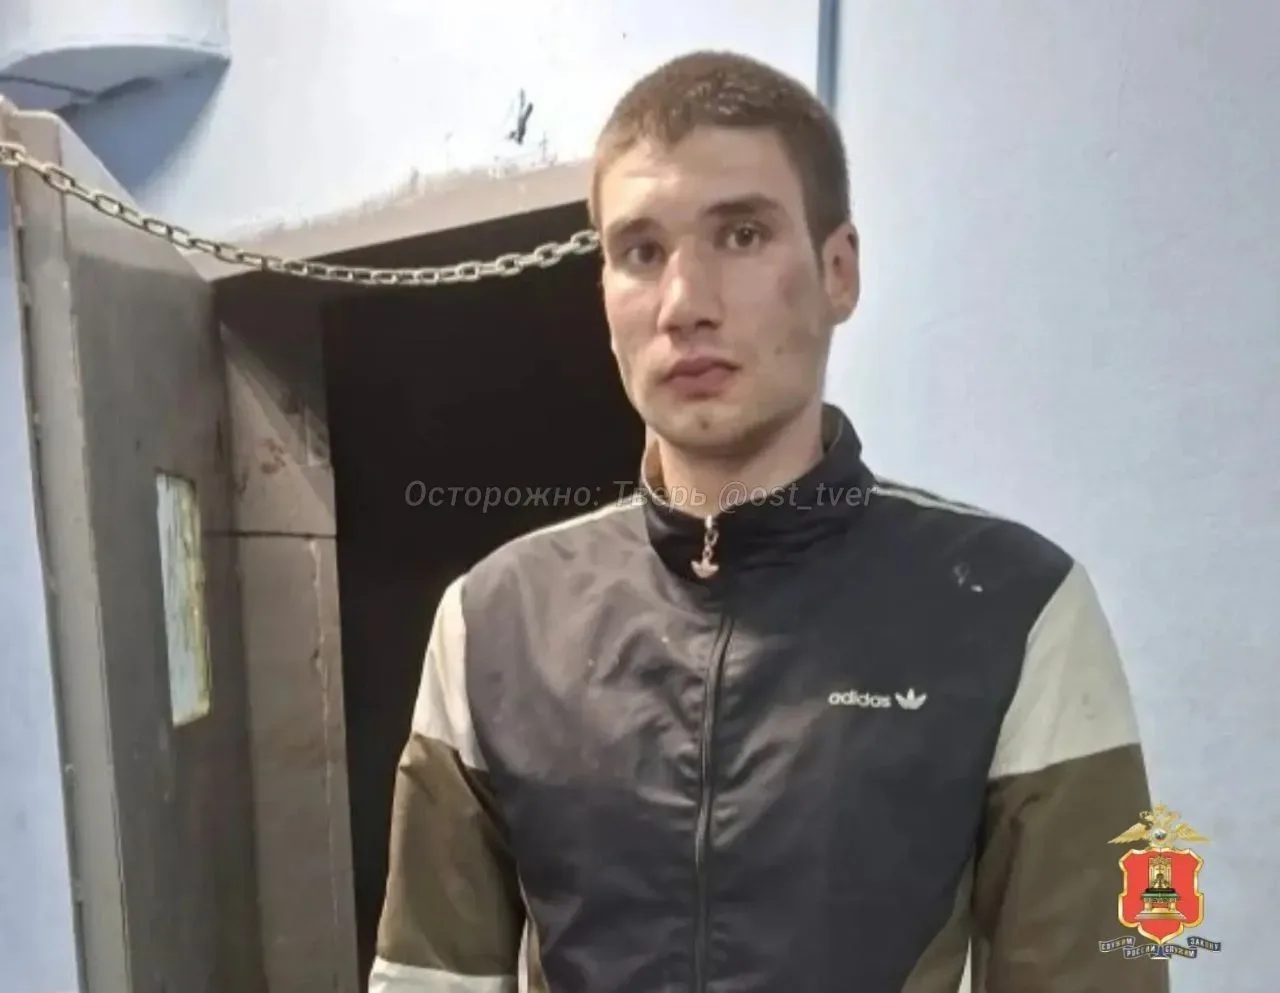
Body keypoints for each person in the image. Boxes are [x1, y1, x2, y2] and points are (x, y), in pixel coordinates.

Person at [369, 50, 1168, 993]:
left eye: (741, 235)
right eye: (641, 252)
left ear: (838, 271)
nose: (684, 305)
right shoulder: (494, 621)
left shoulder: (1016, 608)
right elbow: (427, 979)